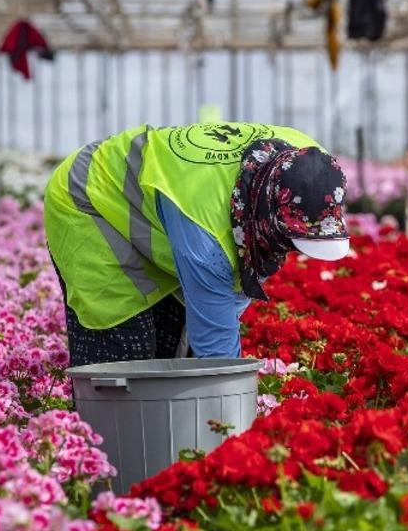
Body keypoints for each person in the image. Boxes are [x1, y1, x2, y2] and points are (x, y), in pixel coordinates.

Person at [44, 122, 349, 366]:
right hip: (90, 197)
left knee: (171, 342)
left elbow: (225, 303)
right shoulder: (207, 233)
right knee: (126, 353)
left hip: (155, 206)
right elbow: (217, 352)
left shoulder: (314, 165)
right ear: (267, 216)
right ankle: (104, 428)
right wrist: (233, 418)